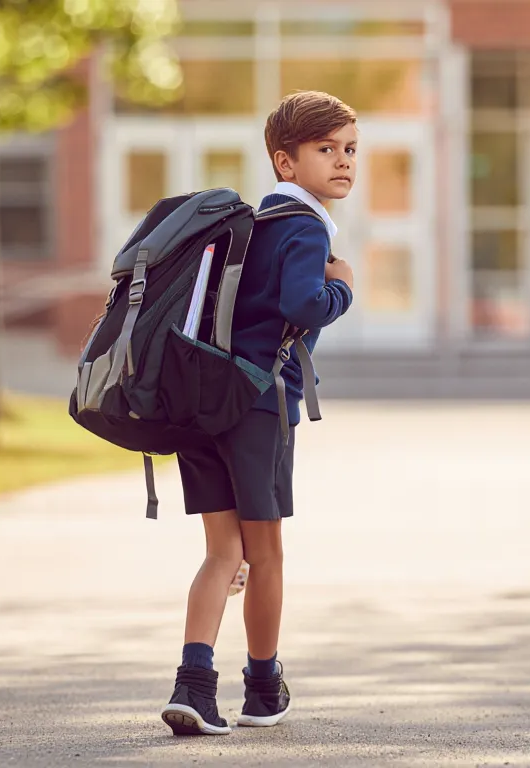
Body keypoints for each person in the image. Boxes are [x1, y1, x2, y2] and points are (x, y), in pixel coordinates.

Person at [160, 91, 357, 736]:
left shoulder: (246, 227)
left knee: (223, 553)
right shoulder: (304, 228)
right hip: (258, 407)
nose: (343, 162)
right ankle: (263, 689)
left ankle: (192, 686)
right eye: (325, 150)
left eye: (350, 149)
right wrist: (344, 288)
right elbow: (305, 305)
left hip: (202, 403)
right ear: (285, 161)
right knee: (265, 552)